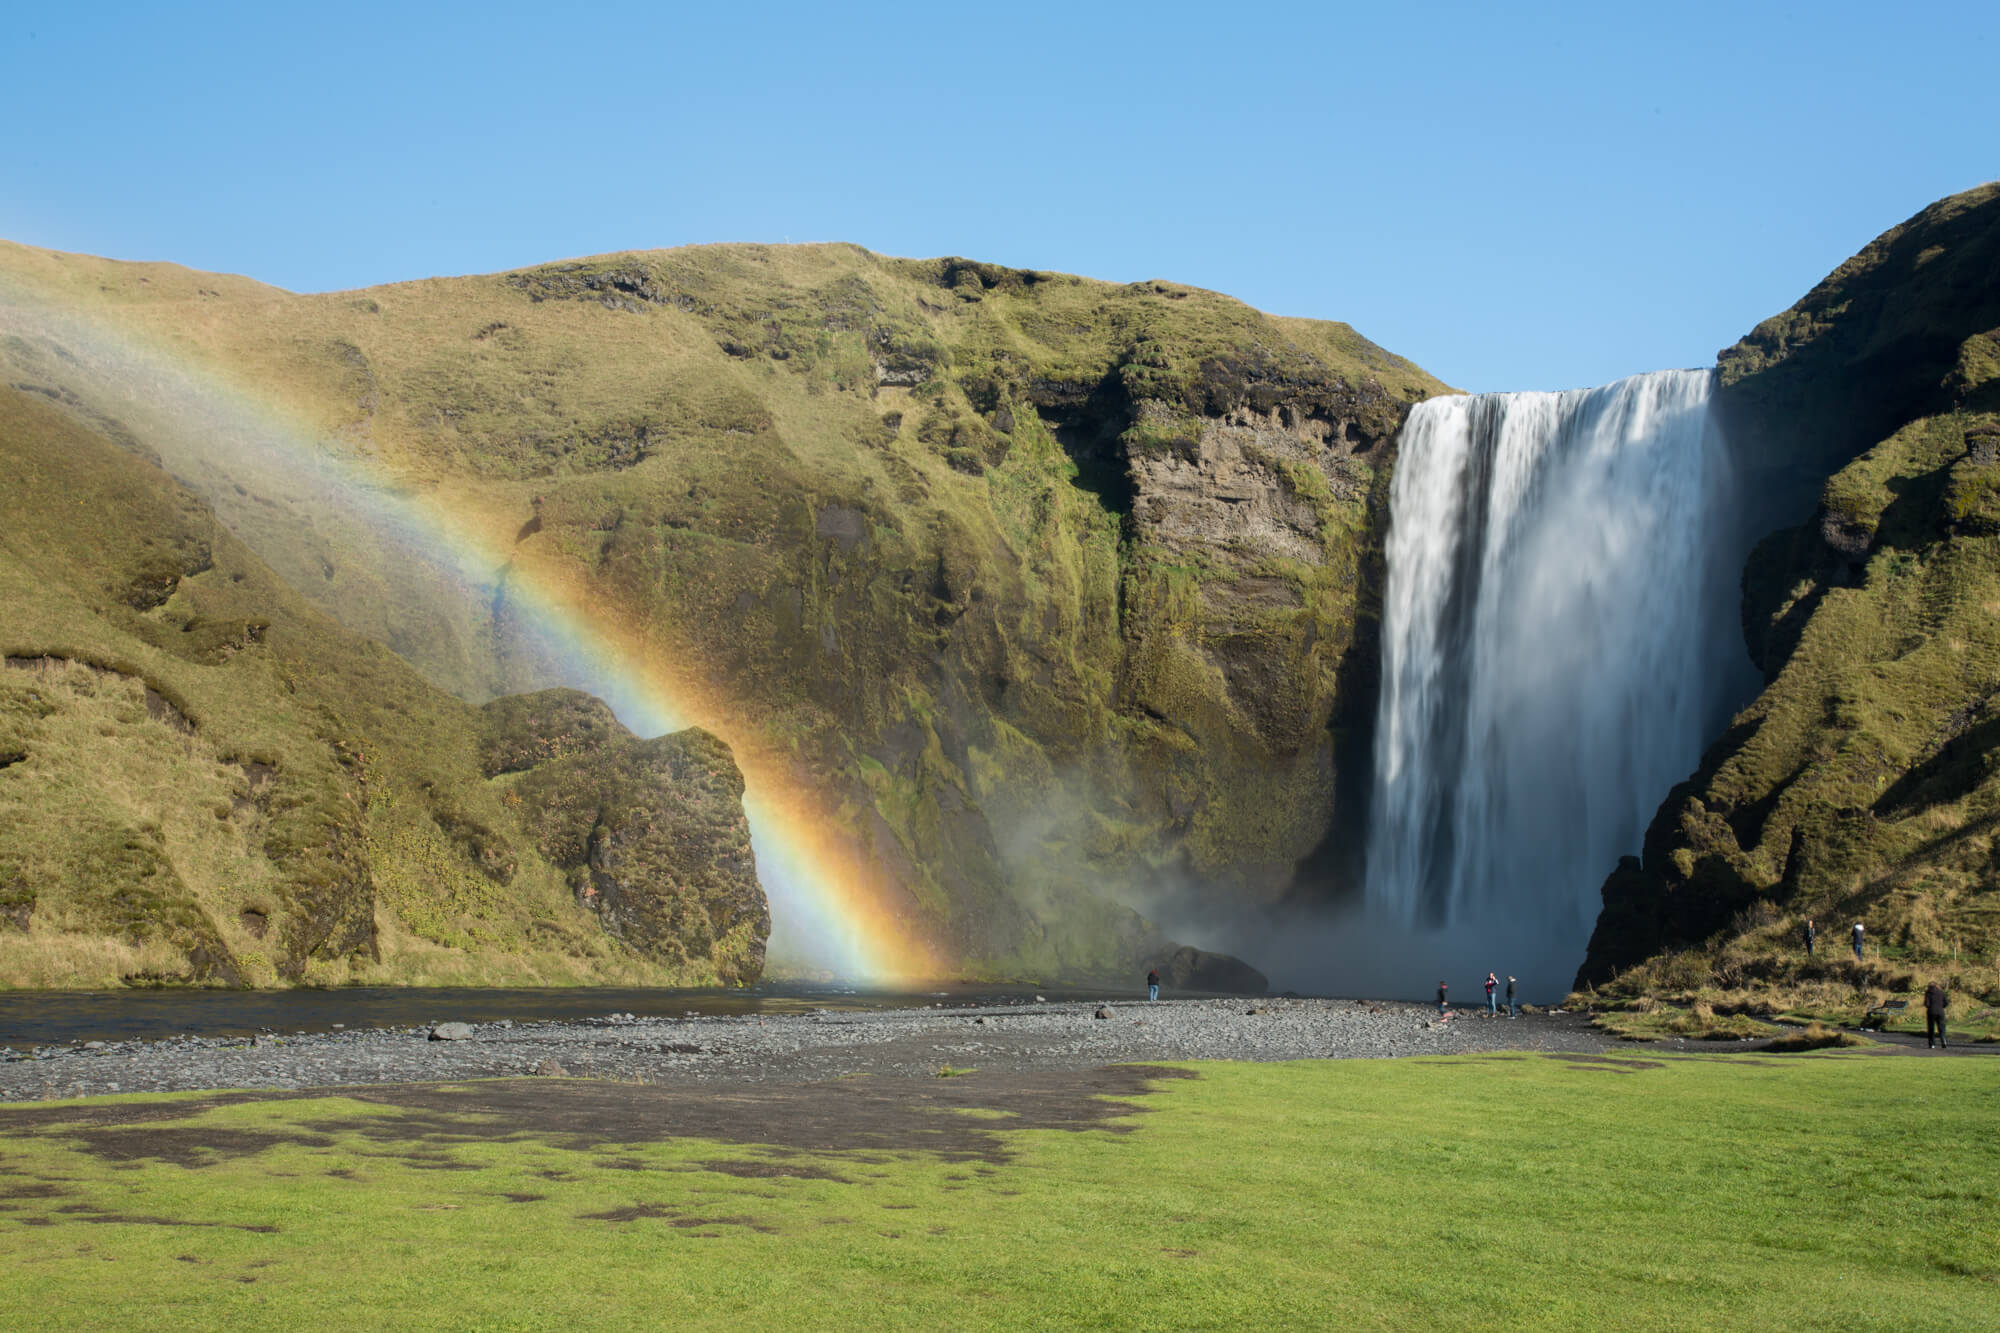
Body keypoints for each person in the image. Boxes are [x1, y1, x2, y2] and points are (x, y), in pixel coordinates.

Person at [1925, 980, 1948, 1049]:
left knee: (1931, 1029)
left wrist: (1929, 1007)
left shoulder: (1928, 993)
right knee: (1941, 1028)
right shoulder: (1941, 992)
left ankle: (1932, 1044)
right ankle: (1943, 1040)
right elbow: (1946, 1002)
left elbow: (1927, 1003)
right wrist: (1941, 1007)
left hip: (1931, 1012)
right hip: (1940, 1012)